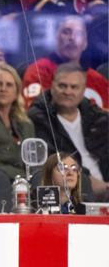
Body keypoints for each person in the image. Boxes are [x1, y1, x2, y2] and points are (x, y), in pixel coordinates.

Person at [28, 63, 109, 200]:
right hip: (72, 186)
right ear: (52, 86)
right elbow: (50, 159)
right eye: (62, 86)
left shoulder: (99, 117)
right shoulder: (38, 118)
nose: (68, 91)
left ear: (83, 90)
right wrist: (87, 180)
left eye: (74, 87)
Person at [22, 15, 109, 108]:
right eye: (66, 32)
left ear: (85, 43)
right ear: (56, 38)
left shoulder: (97, 79)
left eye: (78, 33)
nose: (72, 38)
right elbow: (35, 112)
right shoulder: (39, 71)